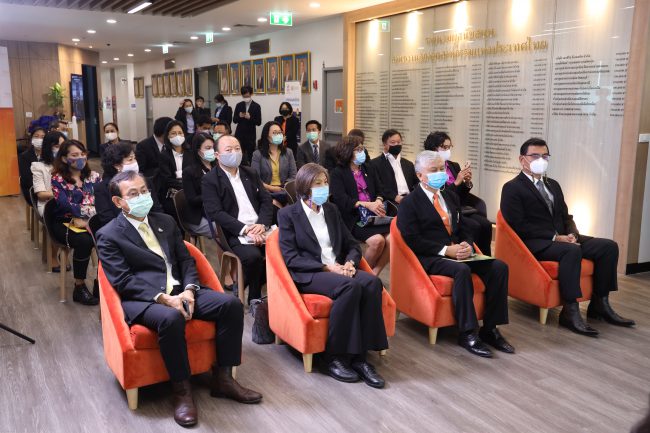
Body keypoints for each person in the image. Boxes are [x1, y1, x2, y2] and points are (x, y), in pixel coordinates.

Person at [96, 170, 262, 427]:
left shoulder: (165, 221)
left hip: (181, 290)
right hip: (145, 299)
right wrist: (164, 298)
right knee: (171, 318)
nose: (142, 197)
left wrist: (190, 289)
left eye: (144, 191)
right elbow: (123, 280)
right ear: (118, 202)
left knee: (231, 305)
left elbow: (186, 260)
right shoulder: (109, 234)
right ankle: (182, 391)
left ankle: (224, 379)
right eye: (133, 194)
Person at [500, 138, 635, 336]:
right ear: (522, 159)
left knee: (608, 247)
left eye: (545, 156)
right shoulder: (512, 188)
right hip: (535, 243)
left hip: (562, 239)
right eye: (535, 156)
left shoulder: (553, 185)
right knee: (571, 251)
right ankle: (570, 311)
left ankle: (600, 304)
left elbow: (566, 216)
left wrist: (572, 233)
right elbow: (518, 225)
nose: (541, 160)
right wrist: (555, 238)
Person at [278, 163, 388, 387]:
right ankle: (334, 357)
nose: (323, 187)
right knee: (350, 287)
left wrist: (349, 263)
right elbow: (291, 258)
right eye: (317, 183)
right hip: (311, 272)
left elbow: (352, 244)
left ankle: (360, 358)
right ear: (304, 187)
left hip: (339, 267)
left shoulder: (331, 210)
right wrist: (328, 268)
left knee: (372, 283)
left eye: (325, 182)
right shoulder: (288, 214)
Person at [398, 150, 514, 357]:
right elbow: (412, 239)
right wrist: (445, 250)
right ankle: (467, 332)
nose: (440, 173)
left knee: (499, 267)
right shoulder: (409, 203)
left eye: (441, 169)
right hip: (431, 256)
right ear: (420, 175)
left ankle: (490, 329)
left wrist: (467, 244)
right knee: (461, 271)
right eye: (433, 170)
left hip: (458, 252)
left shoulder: (450, 196)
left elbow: (463, 228)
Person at [202, 135, 273, 304]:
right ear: (217, 155)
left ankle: (244, 283)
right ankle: (255, 297)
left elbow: (266, 200)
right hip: (234, 231)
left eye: (237, 149)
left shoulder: (250, 172)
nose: (234, 153)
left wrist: (262, 224)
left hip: (260, 226)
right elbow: (215, 212)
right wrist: (246, 229)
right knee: (253, 257)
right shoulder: (210, 180)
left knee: (284, 249)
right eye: (228, 150)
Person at [330, 135, 390, 276]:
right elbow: (341, 200)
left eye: (362, 148)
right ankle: (360, 273)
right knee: (377, 241)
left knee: (393, 238)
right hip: (353, 217)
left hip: (374, 215)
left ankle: (374, 273)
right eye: (358, 149)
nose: (362, 152)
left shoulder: (369, 168)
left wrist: (378, 201)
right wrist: (367, 205)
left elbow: (381, 190)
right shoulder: (338, 173)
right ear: (347, 151)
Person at [424, 131, 493, 255]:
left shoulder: (453, 165)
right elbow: (440, 196)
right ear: (433, 149)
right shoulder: (430, 169)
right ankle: (470, 255)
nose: (448, 150)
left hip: (460, 207)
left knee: (486, 224)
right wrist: (456, 182)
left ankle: (486, 257)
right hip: (446, 210)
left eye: (449, 147)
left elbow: (461, 195)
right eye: (444, 147)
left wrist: (466, 182)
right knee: (474, 226)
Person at [50, 140, 101, 305]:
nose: (80, 158)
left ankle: (100, 282)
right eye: (75, 155)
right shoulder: (57, 179)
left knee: (108, 236)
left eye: (82, 154)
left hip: (90, 220)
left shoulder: (94, 176)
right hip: (63, 221)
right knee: (84, 241)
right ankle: (79, 287)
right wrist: (89, 210)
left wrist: (87, 216)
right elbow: (65, 205)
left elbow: (102, 201)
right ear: (64, 159)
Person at [251, 121, 297, 209]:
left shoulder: (288, 152)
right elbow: (255, 178)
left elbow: (293, 175)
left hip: (285, 190)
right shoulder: (257, 154)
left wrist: (284, 187)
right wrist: (272, 188)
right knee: (273, 206)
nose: (278, 135)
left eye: (280, 133)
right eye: (275, 133)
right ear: (266, 136)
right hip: (266, 191)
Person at [95, 142, 140, 228]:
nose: (135, 163)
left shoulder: (143, 181)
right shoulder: (103, 188)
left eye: (135, 158)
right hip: (121, 230)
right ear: (117, 166)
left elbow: (156, 210)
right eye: (130, 159)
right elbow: (108, 220)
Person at [371, 129, 417, 206]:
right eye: (393, 142)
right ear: (384, 144)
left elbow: (416, 183)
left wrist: (413, 195)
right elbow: (378, 186)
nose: (396, 145)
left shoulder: (408, 164)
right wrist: (394, 197)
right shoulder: (375, 164)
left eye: (399, 142)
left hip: (410, 200)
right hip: (391, 202)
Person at [182, 133, 216, 237]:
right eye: (208, 148)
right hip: (197, 216)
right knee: (225, 229)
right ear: (198, 151)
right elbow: (192, 200)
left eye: (213, 147)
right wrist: (211, 194)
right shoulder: (189, 172)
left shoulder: (218, 167)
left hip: (217, 210)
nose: (212, 151)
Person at [159, 121, 192, 223]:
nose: (177, 136)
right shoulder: (164, 155)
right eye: (173, 133)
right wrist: (185, 186)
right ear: (168, 136)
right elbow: (167, 179)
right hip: (172, 193)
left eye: (180, 133)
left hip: (190, 191)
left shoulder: (190, 153)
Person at [31, 131, 64, 217]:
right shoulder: (38, 167)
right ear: (48, 148)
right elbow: (42, 195)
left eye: (63, 146)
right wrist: (66, 194)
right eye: (57, 146)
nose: (61, 150)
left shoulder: (69, 164)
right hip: (49, 205)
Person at [233, 86, 262, 166]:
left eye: (247, 96)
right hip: (239, 134)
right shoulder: (239, 105)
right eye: (244, 96)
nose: (246, 98)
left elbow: (259, 122)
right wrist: (239, 116)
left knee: (250, 156)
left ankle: (251, 170)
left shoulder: (256, 106)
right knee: (238, 155)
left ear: (251, 94)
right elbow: (234, 120)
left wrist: (250, 118)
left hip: (250, 136)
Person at [18, 127, 46, 200]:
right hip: (32, 190)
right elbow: (27, 179)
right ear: (32, 139)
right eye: (36, 136)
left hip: (49, 188)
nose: (39, 139)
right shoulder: (24, 156)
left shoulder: (50, 155)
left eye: (43, 137)